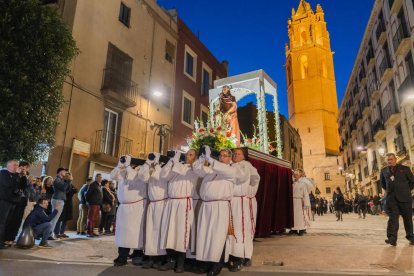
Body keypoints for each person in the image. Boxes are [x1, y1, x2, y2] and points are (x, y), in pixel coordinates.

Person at [193, 146, 236, 276]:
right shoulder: (212, 170)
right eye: (220, 155)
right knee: (205, 235)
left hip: (220, 206)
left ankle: (217, 263)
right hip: (206, 206)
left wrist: (209, 158)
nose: (222, 158)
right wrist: (201, 158)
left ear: (230, 159)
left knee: (217, 236)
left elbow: (222, 168)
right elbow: (198, 171)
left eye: (225, 156)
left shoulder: (231, 170)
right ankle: (206, 262)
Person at [159, 149, 199, 273]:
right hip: (171, 202)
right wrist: (171, 161)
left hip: (184, 203)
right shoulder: (177, 165)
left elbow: (182, 171)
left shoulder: (195, 169)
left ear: (196, 157)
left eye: (191, 154)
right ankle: (171, 260)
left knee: (182, 232)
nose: (187, 156)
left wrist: (175, 161)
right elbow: (164, 175)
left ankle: (181, 262)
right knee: (169, 232)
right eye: (187, 154)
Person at [111, 155, 150, 267]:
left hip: (137, 207)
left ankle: (138, 254)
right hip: (123, 207)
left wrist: (128, 166)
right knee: (122, 233)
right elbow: (113, 175)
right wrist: (120, 166)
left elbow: (135, 177)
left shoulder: (141, 170)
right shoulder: (125, 169)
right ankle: (122, 255)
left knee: (136, 233)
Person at [227, 148, 260, 272]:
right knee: (230, 229)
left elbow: (255, 179)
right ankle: (231, 254)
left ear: (243, 156)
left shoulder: (246, 165)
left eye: (238, 153)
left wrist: (249, 193)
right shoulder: (229, 165)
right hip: (229, 200)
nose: (236, 155)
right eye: (234, 153)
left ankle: (239, 257)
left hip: (240, 201)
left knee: (240, 229)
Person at [380, 153, 414, 246]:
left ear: (395, 159)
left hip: (405, 198)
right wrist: (390, 192)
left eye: (391, 159)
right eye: (388, 160)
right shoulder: (383, 171)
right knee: (392, 219)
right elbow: (383, 184)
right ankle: (392, 239)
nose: (389, 161)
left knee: (407, 219)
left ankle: (411, 237)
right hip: (391, 199)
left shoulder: (405, 169)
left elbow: (412, 182)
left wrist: (406, 190)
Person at [142, 153, 168, 269]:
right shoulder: (151, 169)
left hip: (162, 204)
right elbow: (143, 177)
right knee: (150, 231)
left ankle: (161, 258)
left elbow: (160, 176)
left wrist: (157, 164)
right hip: (152, 204)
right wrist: (147, 163)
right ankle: (151, 257)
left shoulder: (164, 169)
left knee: (160, 231)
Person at [0, 160, 26, 249]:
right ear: (8, 166)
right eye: (15, 165)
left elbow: (22, 187)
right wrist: (16, 175)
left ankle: (3, 240)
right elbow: (8, 185)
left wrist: (23, 176)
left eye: (17, 165)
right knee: (2, 223)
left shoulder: (16, 176)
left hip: (12, 202)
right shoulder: (3, 173)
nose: (17, 167)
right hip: (3, 202)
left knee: (8, 222)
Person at [4, 161, 30, 245]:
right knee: (11, 221)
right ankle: (7, 238)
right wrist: (18, 174)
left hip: (22, 201)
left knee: (17, 221)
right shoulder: (12, 174)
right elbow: (13, 187)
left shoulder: (22, 176)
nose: (25, 169)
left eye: (26, 168)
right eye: (24, 167)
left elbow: (24, 187)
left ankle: (12, 237)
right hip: (14, 201)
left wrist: (25, 176)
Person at [55, 172, 77, 238]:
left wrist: (71, 190)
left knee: (66, 218)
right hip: (63, 200)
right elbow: (67, 191)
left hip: (69, 202)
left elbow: (75, 190)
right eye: (68, 176)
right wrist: (71, 191)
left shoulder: (70, 183)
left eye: (70, 176)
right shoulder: (63, 182)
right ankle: (56, 233)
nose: (69, 177)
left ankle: (62, 232)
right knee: (60, 218)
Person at [49, 168, 69, 240]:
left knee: (55, 218)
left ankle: (50, 233)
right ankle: (49, 234)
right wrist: (68, 180)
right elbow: (63, 188)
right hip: (57, 200)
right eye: (64, 171)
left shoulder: (61, 180)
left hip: (60, 200)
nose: (65, 173)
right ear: (60, 172)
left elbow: (67, 189)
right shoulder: (57, 180)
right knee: (54, 218)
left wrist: (68, 181)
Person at [291, 170, 310, 236]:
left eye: (296, 174)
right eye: (294, 174)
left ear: (299, 175)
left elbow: (305, 194)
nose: (295, 175)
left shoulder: (302, 184)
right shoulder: (292, 183)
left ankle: (301, 229)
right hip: (293, 201)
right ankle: (294, 229)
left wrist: (306, 203)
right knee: (293, 216)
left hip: (299, 201)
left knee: (300, 216)